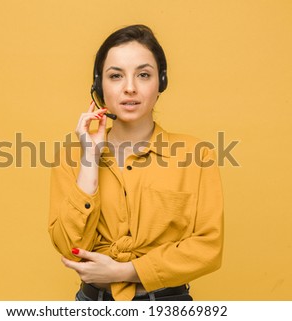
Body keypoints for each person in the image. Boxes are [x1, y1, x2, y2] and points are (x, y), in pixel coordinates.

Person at [48, 24, 223, 301]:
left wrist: (126, 271)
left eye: (143, 75)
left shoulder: (197, 155)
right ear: (99, 85)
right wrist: (90, 160)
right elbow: (71, 247)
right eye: (116, 76)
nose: (130, 88)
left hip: (168, 304)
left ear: (161, 83)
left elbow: (208, 249)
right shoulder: (72, 157)